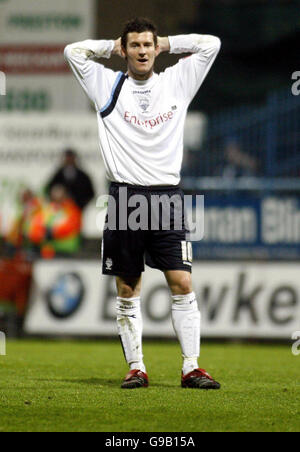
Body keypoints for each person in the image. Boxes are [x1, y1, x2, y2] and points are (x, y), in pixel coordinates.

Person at [64, 17, 221, 389]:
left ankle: (191, 368)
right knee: (127, 287)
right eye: (135, 45)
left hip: (167, 197)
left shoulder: (176, 82)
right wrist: (109, 47)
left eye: (148, 45)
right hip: (125, 198)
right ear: (125, 50)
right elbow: (73, 51)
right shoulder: (106, 83)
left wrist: (167, 42)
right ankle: (136, 367)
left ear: (156, 48)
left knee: (182, 281)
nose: (142, 51)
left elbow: (210, 43)